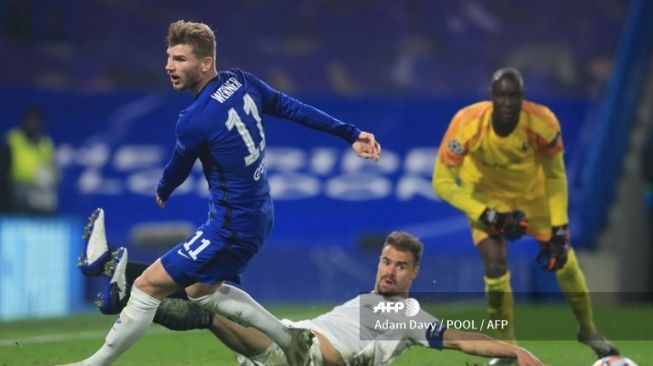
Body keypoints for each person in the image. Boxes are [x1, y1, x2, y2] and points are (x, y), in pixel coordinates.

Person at [65, 20, 381, 366]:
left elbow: (178, 167)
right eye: (169, 57)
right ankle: (289, 340)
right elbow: (292, 108)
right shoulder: (241, 82)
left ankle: (94, 356)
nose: (170, 66)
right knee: (201, 293)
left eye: (180, 59)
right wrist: (349, 133)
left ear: (205, 63)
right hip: (257, 213)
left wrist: (164, 188)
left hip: (231, 225)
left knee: (148, 286)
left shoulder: (194, 119)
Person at [74, 214, 544, 366]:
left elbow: (461, 339)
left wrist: (514, 350)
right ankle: (124, 280)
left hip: (305, 357)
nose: (389, 271)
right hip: (287, 336)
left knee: (211, 301)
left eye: (401, 266)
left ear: (415, 274)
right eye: (386, 261)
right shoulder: (367, 302)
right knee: (205, 302)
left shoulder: (408, 316)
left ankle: (124, 278)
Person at [432, 67, 619, 365]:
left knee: (565, 259)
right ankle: (506, 349)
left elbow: (556, 176)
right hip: (485, 199)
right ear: (491, 97)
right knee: (495, 266)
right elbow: (441, 182)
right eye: (501, 95)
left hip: (533, 199)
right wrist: (488, 214)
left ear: (523, 97)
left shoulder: (543, 123)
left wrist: (560, 228)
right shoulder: (466, 123)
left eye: (514, 95)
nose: (507, 102)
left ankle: (589, 330)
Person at [0, 107, 58, 214]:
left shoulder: (45, 143)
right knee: (19, 191)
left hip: (39, 187)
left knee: (47, 195)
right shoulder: (13, 140)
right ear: (24, 123)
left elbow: (53, 170)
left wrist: (47, 178)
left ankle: (45, 222)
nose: (33, 125)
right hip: (17, 183)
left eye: (36, 122)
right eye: (30, 122)